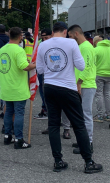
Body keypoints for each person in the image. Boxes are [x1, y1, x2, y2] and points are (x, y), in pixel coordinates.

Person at [36, 22, 103, 174]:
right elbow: (81, 66)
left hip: (50, 87)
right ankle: (88, 162)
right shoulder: (71, 43)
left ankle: (58, 161)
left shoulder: (43, 45)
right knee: (79, 125)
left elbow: (39, 69)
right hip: (67, 87)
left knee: (53, 125)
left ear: (53, 32)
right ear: (65, 31)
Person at [0, 27, 36, 149]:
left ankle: (7, 136)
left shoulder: (2, 49)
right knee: (19, 113)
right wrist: (35, 65)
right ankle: (19, 139)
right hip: (18, 88)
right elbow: (24, 66)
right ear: (20, 36)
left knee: (9, 112)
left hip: (6, 87)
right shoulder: (19, 50)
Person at [67, 25, 97, 155]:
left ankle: (88, 143)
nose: (69, 38)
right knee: (82, 114)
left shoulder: (85, 47)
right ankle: (83, 140)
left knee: (86, 114)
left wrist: (79, 83)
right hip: (84, 84)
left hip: (86, 85)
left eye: (70, 35)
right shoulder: (83, 46)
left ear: (76, 34)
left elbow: (87, 66)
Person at [94, 36, 110, 122]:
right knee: (107, 94)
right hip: (109, 74)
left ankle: (99, 115)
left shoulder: (96, 50)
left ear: (96, 42)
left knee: (99, 94)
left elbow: (93, 62)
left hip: (98, 73)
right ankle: (108, 114)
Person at [35, 29, 52, 121]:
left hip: (50, 73)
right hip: (42, 72)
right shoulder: (41, 44)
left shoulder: (54, 45)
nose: (44, 39)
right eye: (43, 38)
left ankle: (47, 110)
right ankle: (45, 109)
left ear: (51, 35)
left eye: (46, 37)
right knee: (43, 92)